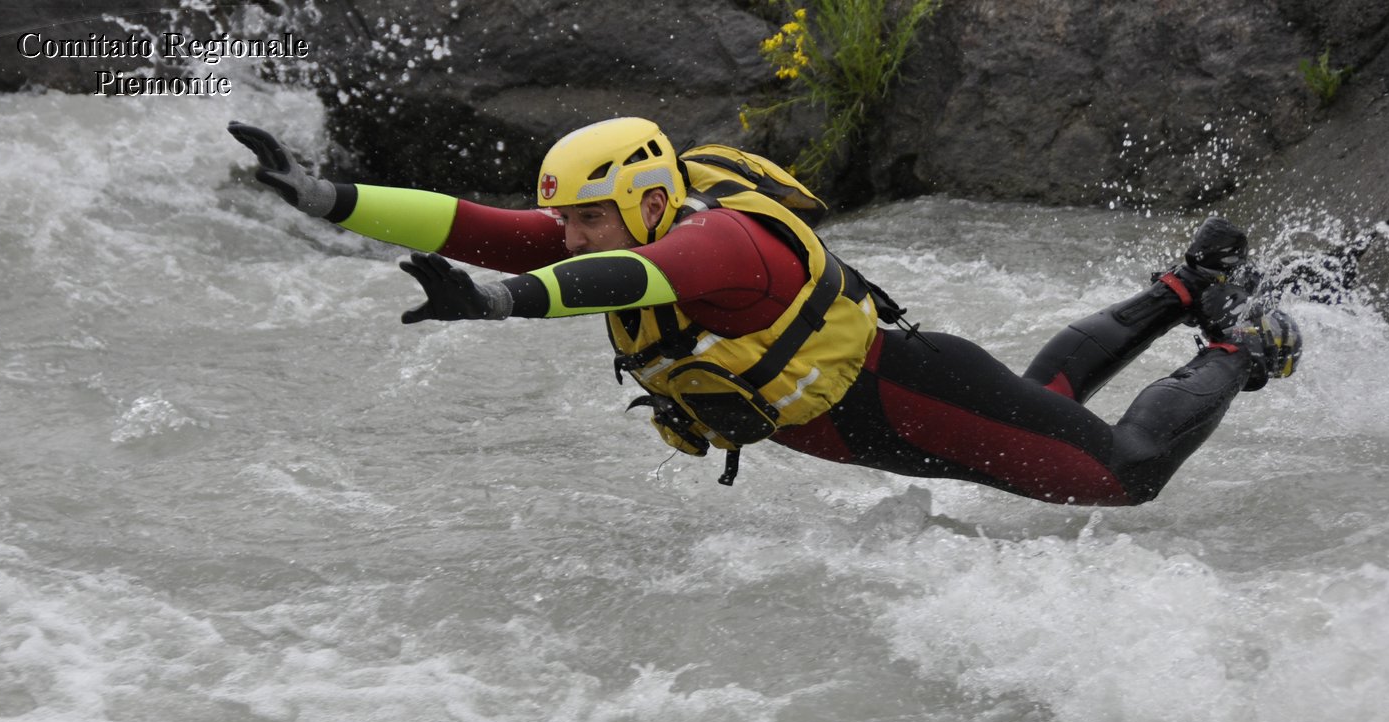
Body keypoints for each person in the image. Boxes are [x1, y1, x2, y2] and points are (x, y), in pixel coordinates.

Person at [228, 117, 1302, 502]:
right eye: (568, 221)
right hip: (879, 422)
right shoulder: (604, 229)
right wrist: (324, 198)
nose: (569, 236)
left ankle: (1241, 342)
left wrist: (504, 307)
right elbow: (472, 224)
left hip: (906, 391)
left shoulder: (712, 243)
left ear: (644, 201)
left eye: (589, 218)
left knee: (1121, 474)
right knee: (1044, 404)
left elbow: (621, 281)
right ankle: (1186, 280)